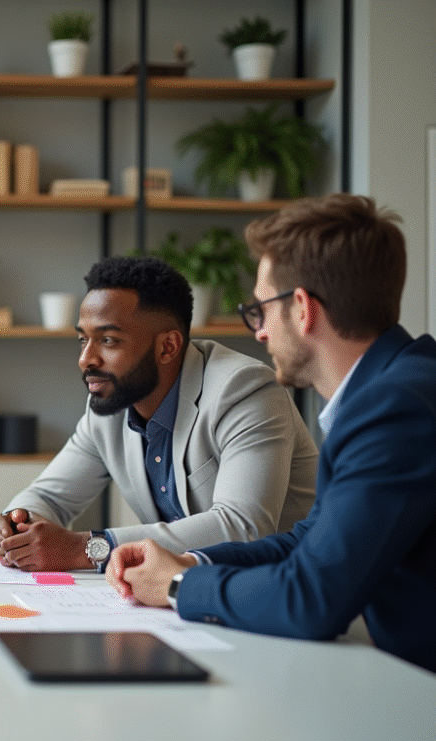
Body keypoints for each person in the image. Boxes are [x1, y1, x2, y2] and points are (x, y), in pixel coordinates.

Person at [106, 194, 436, 674]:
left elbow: (311, 601)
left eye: (260, 311)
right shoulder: (399, 385)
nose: (258, 333)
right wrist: (189, 562)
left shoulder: (394, 410)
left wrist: (177, 588)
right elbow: (311, 539)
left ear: (302, 308)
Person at [0, 256, 317, 572]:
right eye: (82, 339)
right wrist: (18, 524)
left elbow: (244, 527)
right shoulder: (110, 405)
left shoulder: (243, 390)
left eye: (108, 340)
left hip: (283, 590)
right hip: (184, 590)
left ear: (168, 347)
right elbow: (48, 497)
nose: (86, 359)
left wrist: (85, 549)